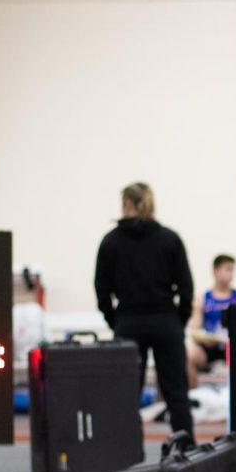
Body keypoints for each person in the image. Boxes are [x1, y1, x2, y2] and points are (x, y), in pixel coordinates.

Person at [94, 182, 194, 436]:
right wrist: (177, 321)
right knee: (176, 393)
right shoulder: (169, 239)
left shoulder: (111, 242)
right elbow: (186, 288)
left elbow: (101, 289)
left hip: (129, 320)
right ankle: (184, 450)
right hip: (165, 319)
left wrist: (114, 320)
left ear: (126, 203)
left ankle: (125, 453)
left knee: (126, 395)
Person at [186, 254, 236, 418]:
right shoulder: (203, 298)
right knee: (189, 354)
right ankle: (194, 399)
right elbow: (194, 329)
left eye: (233, 270)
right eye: (227, 270)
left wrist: (233, 336)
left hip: (231, 346)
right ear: (215, 271)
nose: (231, 274)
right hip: (209, 347)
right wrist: (206, 338)